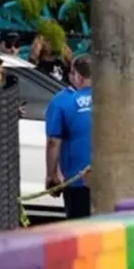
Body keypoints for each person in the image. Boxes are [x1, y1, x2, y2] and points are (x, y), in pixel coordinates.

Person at [44, 55, 93, 219]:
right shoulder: (111, 99)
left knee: (81, 228)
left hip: (77, 181)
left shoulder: (61, 101)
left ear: (78, 76)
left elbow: (53, 142)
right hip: (109, 179)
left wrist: (52, 175)